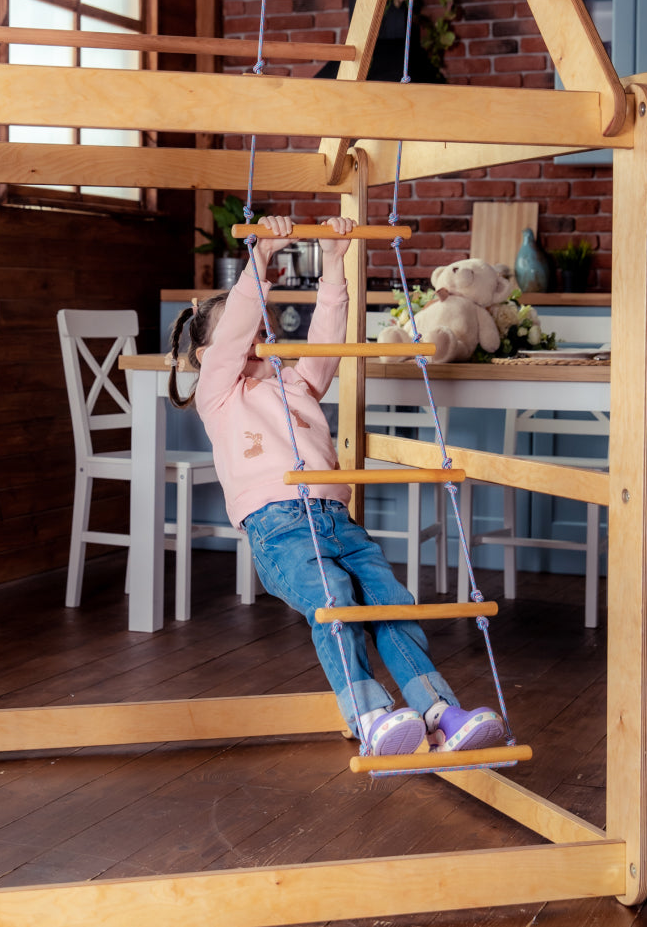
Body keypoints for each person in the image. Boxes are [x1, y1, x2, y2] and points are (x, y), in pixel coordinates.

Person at [168, 213, 507, 758]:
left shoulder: (297, 384)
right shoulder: (220, 393)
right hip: (279, 529)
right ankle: (369, 715)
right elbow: (232, 338)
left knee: (391, 603)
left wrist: (333, 264)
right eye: (248, 332)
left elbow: (326, 340)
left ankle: (441, 712)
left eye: (264, 331)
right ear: (208, 357)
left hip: (337, 521)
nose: (258, 338)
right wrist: (261, 258)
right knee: (335, 601)